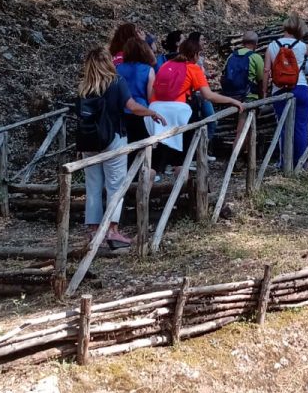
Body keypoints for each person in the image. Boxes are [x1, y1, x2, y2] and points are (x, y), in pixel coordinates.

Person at [76, 48, 165, 249]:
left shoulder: (84, 87)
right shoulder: (116, 82)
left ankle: (93, 231)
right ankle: (112, 231)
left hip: (88, 141)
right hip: (113, 138)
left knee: (93, 187)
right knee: (116, 186)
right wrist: (151, 112)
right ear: (108, 62)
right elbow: (132, 106)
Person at [147, 38, 243, 176]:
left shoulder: (165, 65)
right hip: (178, 114)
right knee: (181, 160)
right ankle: (179, 192)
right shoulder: (193, 68)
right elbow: (208, 95)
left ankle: (145, 192)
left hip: (155, 113)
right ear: (196, 54)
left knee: (154, 162)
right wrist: (231, 101)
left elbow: (153, 92)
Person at [264, 12, 308, 167]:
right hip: (301, 88)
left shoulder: (272, 45)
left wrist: (264, 91)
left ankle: (284, 163)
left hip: (280, 90)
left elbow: (267, 70)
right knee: (301, 127)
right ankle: (300, 163)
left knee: (283, 127)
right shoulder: (302, 46)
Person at [116, 38, 157, 167]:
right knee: (141, 148)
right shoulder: (148, 70)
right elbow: (151, 96)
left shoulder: (117, 69)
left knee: (124, 149)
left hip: (120, 113)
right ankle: (142, 176)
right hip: (141, 112)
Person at [221, 30, 265, 137]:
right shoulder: (256, 57)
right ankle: (237, 153)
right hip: (248, 98)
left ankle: (244, 153)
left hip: (231, 97)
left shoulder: (231, 56)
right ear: (256, 44)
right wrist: (262, 99)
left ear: (243, 42)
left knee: (243, 130)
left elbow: (223, 77)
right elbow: (261, 81)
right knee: (242, 132)